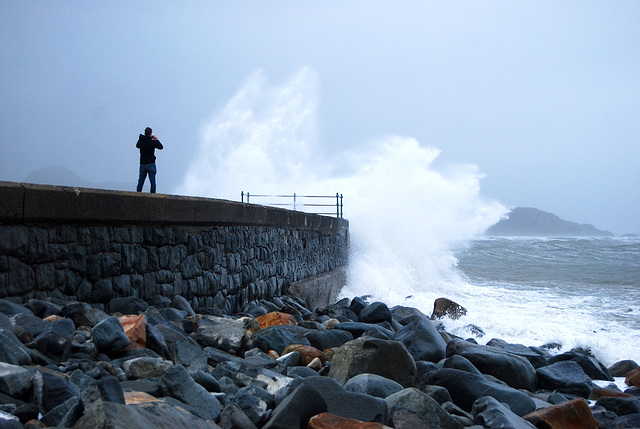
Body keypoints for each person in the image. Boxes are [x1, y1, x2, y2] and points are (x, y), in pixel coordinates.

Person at [136, 127, 163, 193]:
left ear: (145, 133)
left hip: (143, 164)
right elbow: (161, 147)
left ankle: (138, 193)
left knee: (141, 181)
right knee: (152, 181)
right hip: (151, 163)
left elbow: (137, 145)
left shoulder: (142, 141)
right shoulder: (152, 142)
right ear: (151, 133)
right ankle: (153, 195)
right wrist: (156, 139)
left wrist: (141, 138)